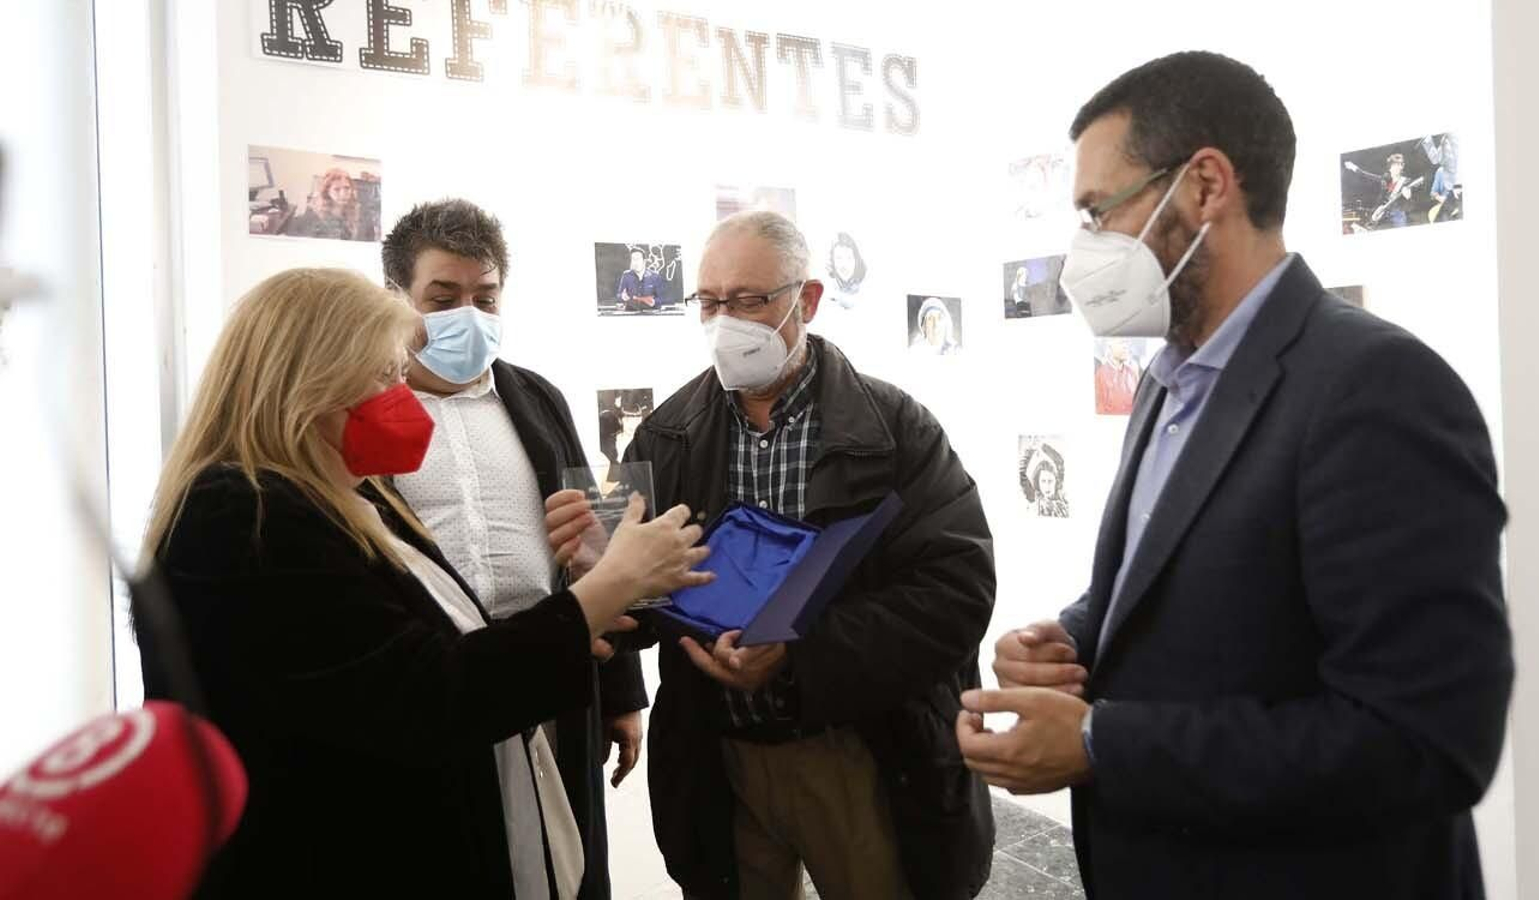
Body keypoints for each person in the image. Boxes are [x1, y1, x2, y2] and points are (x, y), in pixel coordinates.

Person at [960, 52, 1513, 900]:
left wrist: (1102, 743)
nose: (1084, 249)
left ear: (1206, 185)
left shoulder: (1376, 389)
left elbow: (1424, 740)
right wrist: (1074, 638)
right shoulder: (1167, 378)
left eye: (1097, 211)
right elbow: (1199, 582)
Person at [141, 267, 712, 899]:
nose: (404, 399)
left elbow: (432, 646)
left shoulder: (356, 498)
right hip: (329, 859)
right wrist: (614, 584)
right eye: (386, 377)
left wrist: (586, 624)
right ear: (313, 383)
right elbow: (428, 693)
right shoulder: (239, 515)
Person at [549, 211, 997, 900]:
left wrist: (801, 656)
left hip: (861, 750)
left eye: (750, 300)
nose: (726, 320)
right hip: (715, 756)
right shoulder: (667, 434)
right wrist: (596, 576)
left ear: (807, 300)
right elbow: (641, 611)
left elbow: (955, 590)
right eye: (709, 302)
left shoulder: (894, 429)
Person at [381, 199, 650, 900]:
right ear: (396, 299)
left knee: (563, 868)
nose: (467, 314)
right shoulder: (364, 407)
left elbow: (597, 548)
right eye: (443, 298)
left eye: (485, 296)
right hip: (433, 686)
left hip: (553, 675)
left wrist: (622, 691)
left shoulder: (537, 398)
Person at [285, 168, 371, 241]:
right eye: (337, 189)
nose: (343, 194)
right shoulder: (314, 213)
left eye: (347, 188)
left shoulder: (360, 212)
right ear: (327, 192)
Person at [1093, 339, 1141, 415]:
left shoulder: (1132, 373)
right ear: (1110, 347)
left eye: (1126, 343)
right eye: (1121, 342)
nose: (1125, 346)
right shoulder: (1100, 375)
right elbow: (1100, 409)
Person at [824, 232, 866, 302]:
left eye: (849, 258)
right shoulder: (827, 289)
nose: (844, 265)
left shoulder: (866, 287)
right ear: (832, 261)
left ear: (856, 260)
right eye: (839, 258)